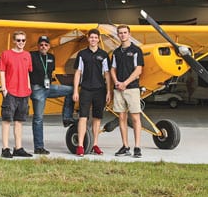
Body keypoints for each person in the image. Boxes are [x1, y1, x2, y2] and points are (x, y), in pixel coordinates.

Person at [29, 35, 75, 154]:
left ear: (49, 46)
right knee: (38, 118)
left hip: (48, 88)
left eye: (46, 45)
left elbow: (50, 73)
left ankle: (67, 118)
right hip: (37, 89)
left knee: (71, 90)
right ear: (38, 46)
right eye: (41, 45)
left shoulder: (51, 57)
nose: (43, 46)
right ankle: (39, 147)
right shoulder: (31, 56)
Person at [72, 28, 111, 157]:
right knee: (83, 117)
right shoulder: (82, 54)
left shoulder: (104, 55)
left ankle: (95, 145)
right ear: (88, 38)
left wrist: (109, 91)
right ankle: (80, 146)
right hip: (86, 89)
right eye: (91, 37)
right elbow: (78, 72)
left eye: (95, 37)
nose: (93, 39)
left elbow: (107, 74)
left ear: (98, 39)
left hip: (100, 90)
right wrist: (75, 90)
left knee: (97, 118)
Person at [110, 24, 145, 158]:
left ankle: (137, 147)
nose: (123, 35)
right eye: (120, 33)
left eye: (125, 32)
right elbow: (113, 68)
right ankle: (125, 146)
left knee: (135, 118)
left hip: (132, 88)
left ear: (129, 34)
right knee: (122, 117)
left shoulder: (136, 50)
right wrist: (117, 82)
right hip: (118, 88)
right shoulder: (116, 52)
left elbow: (138, 69)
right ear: (118, 35)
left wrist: (125, 83)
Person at [0, 30, 33, 158]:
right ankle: (5, 148)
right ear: (14, 41)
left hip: (24, 92)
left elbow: (27, 72)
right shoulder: (6, 54)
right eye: (18, 40)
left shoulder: (27, 55)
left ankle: (18, 148)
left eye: (23, 40)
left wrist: (28, 87)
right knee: (7, 120)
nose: (21, 43)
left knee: (19, 121)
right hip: (11, 92)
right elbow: (1, 71)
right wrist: (4, 89)